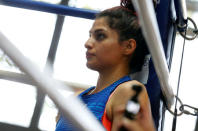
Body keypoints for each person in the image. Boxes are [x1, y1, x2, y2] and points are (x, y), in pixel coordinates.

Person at [55, 0, 156, 130]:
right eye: (90, 35)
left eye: (100, 36)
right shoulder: (73, 99)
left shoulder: (130, 91)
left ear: (128, 46)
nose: (88, 43)